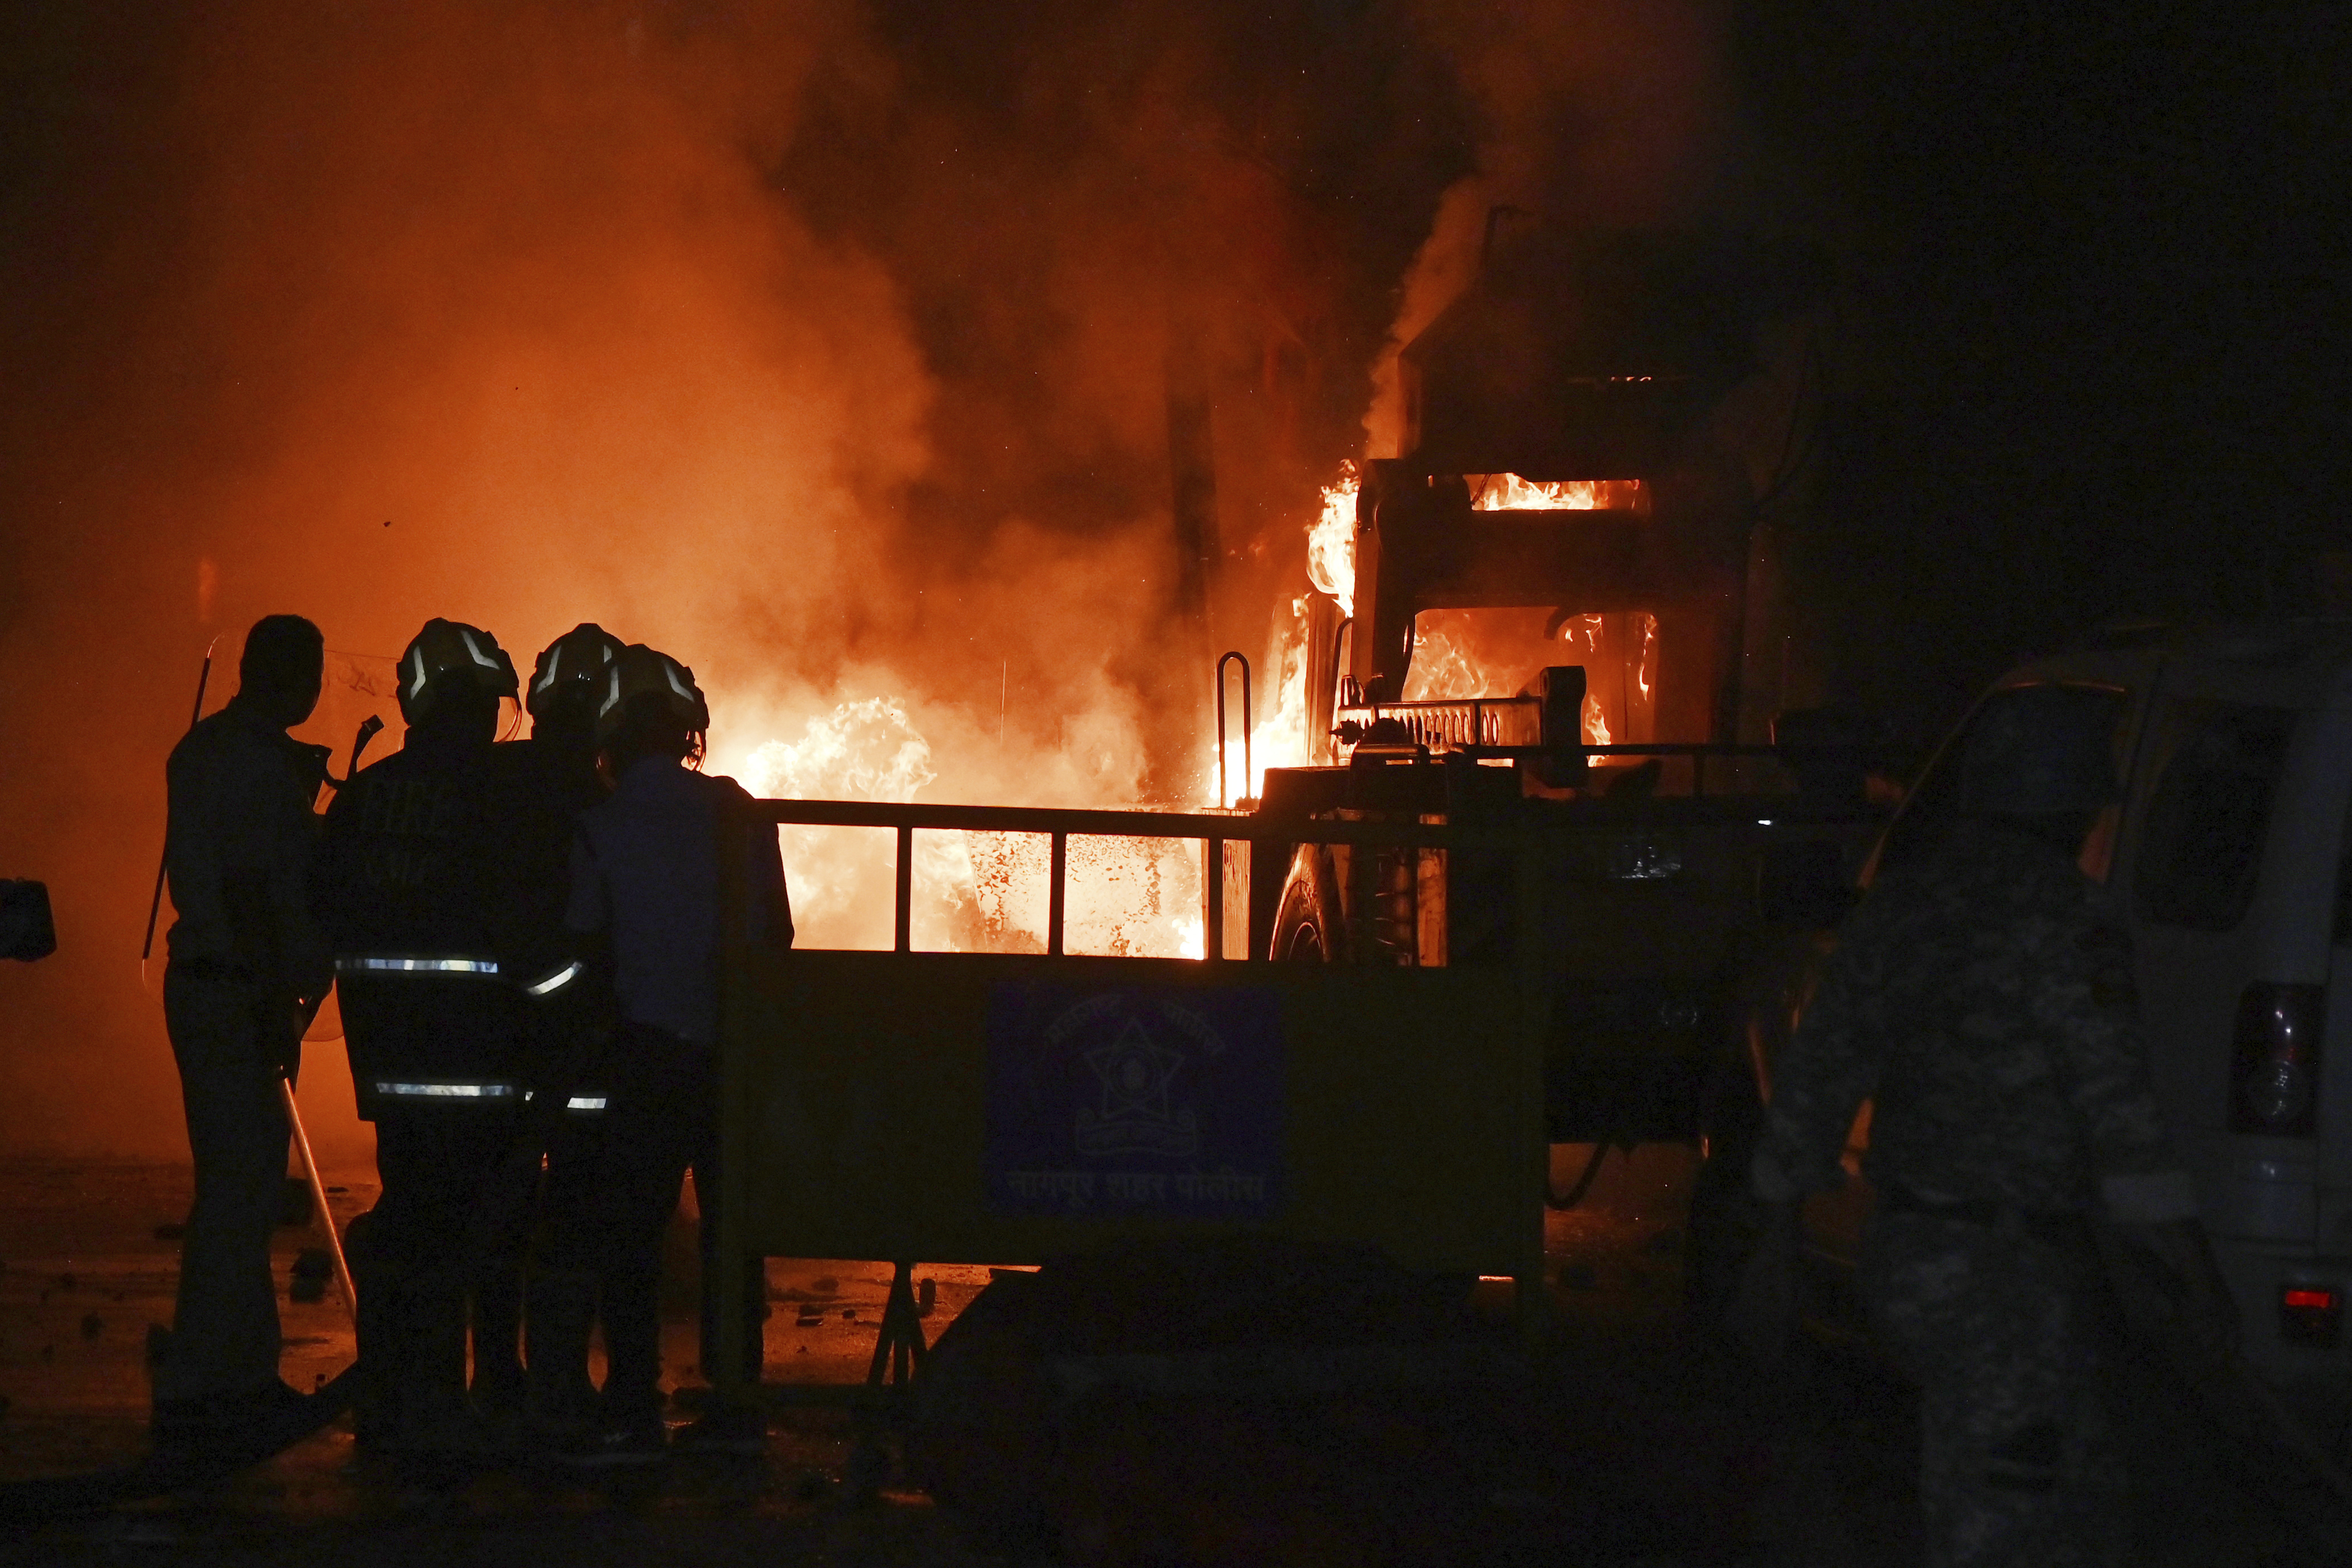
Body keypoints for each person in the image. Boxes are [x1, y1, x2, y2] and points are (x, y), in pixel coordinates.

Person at [1736, 684, 2237, 1567]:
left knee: (2055, 1484)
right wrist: (2193, 1278)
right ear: (2076, 806)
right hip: (2005, 1280)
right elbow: (2125, 1125)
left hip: (1914, 1256)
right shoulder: (2067, 927)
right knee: (2002, 1517)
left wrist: (1772, 1244)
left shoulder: (1903, 908)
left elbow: (1816, 1077)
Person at [543, 643, 789, 1462]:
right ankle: (736, 1399)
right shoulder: (739, 811)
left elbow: (581, 949)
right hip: (736, 1054)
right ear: (690, 727)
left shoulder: (599, 826)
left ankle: (633, 1401)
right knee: (733, 1228)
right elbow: (777, 939)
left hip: (641, 1057)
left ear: (610, 733)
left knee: (633, 1234)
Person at [314, 617, 532, 1459]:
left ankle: (404, 1397)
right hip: (483, 1058)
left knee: (412, 1218)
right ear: (475, 706)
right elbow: (533, 919)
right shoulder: (504, 795)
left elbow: (325, 907)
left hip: (393, 1063)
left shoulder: (367, 794)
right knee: (492, 1226)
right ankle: (484, 1391)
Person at [154, 615, 334, 1448]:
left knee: (234, 1189)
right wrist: (279, 1000)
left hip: (210, 988)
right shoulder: (260, 769)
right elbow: (261, 892)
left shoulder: (204, 752)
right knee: (242, 1191)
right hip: (235, 994)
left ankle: (210, 1367)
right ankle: (223, 1380)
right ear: (288, 675)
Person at [480, 622, 624, 1442]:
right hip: (582, 1042)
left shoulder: (496, 781)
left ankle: (497, 1379)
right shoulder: (603, 802)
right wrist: (583, 1001)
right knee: (573, 1218)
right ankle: (559, 1389)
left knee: (496, 1209)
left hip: (493, 1039)